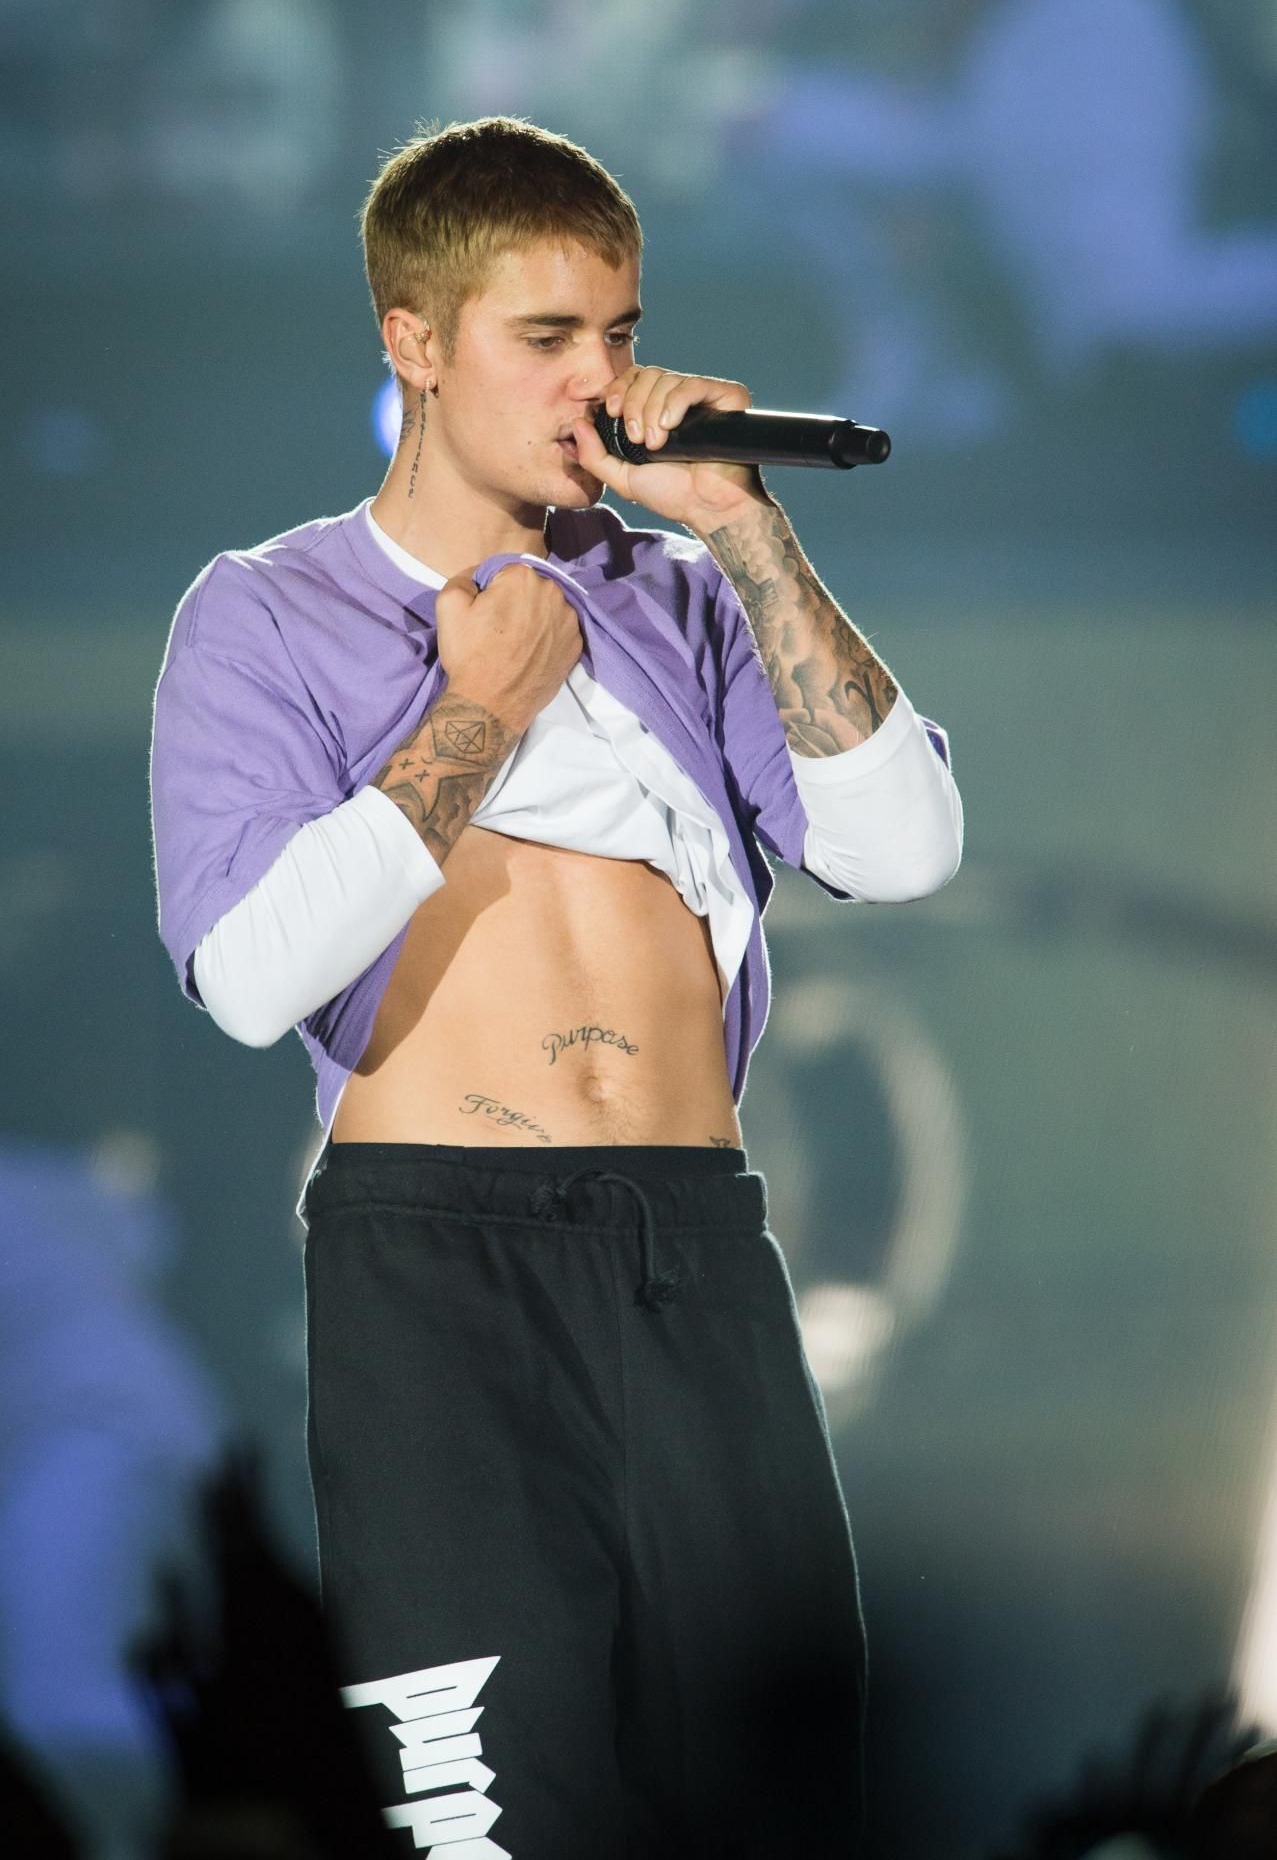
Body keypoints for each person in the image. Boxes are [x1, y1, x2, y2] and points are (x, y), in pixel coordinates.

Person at [148, 114, 964, 1857]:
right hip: (438, 1264)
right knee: (499, 1822)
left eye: (618, 330)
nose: (599, 378)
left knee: (780, 1803)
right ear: (415, 342)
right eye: (545, 337)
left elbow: (903, 850)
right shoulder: (267, 613)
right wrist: (476, 714)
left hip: (695, 1244)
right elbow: (247, 976)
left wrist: (745, 531)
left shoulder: (684, 600)